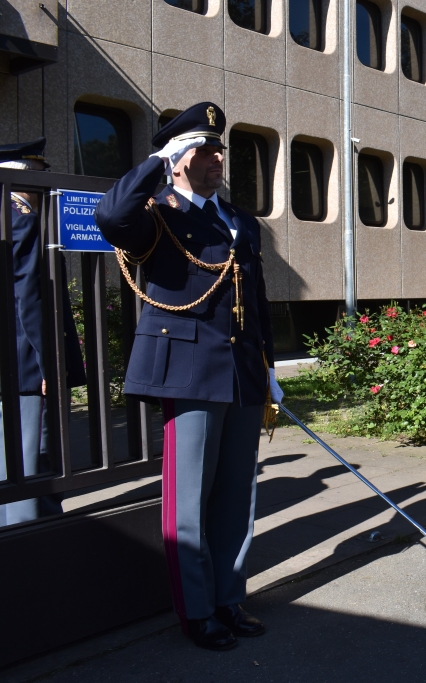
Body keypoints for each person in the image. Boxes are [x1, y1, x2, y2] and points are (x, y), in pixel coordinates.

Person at [95, 102, 284, 650]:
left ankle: (230, 598)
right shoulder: (157, 212)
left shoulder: (238, 221)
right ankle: (197, 611)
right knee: (190, 503)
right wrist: (156, 163)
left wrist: (268, 367)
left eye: (219, 148)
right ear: (179, 158)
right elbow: (111, 217)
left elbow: (258, 303)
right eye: (205, 148)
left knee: (234, 499)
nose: (218, 157)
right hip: (188, 372)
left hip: (242, 373)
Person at [0, 138, 87, 526]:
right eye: (41, 172)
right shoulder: (20, 216)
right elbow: (29, 296)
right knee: (33, 459)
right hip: (26, 363)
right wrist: (49, 362)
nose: (47, 181)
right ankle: (34, 541)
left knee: (8, 461)